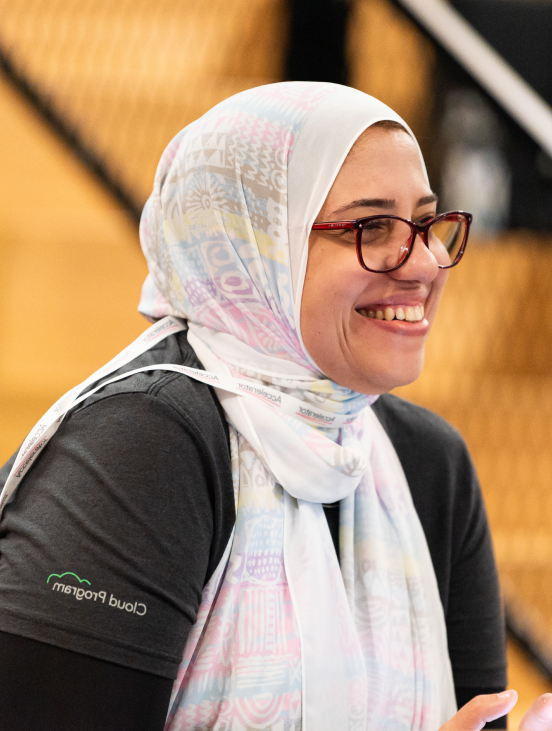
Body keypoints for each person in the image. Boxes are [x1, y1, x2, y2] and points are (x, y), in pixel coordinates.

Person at [0, 81, 548, 731]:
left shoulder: (429, 461)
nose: (425, 262)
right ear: (252, 243)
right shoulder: (142, 445)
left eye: (429, 223)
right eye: (374, 227)